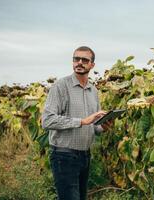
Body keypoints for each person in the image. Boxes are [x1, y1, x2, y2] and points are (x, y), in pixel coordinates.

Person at [42, 46, 110, 200]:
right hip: (64, 156)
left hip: (85, 155)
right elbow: (47, 120)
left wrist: (102, 126)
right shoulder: (61, 86)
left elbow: (94, 125)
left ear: (92, 65)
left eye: (84, 60)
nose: (79, 62)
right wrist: (81, 121)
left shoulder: (93, 90)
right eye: (76, 59)